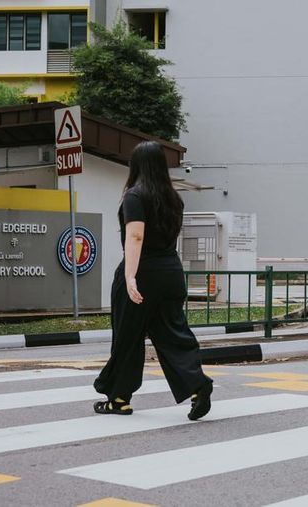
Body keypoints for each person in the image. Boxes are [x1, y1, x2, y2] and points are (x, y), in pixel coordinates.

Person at [93, 141, 213, 420]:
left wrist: (130, 276)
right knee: (173, 334)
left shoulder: (135, 196)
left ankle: (119, 399)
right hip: (171, 271)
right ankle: (198, 386)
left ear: (135, 166)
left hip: (143, 272)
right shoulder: (175, 199)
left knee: (127, 336)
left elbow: (135, 236)